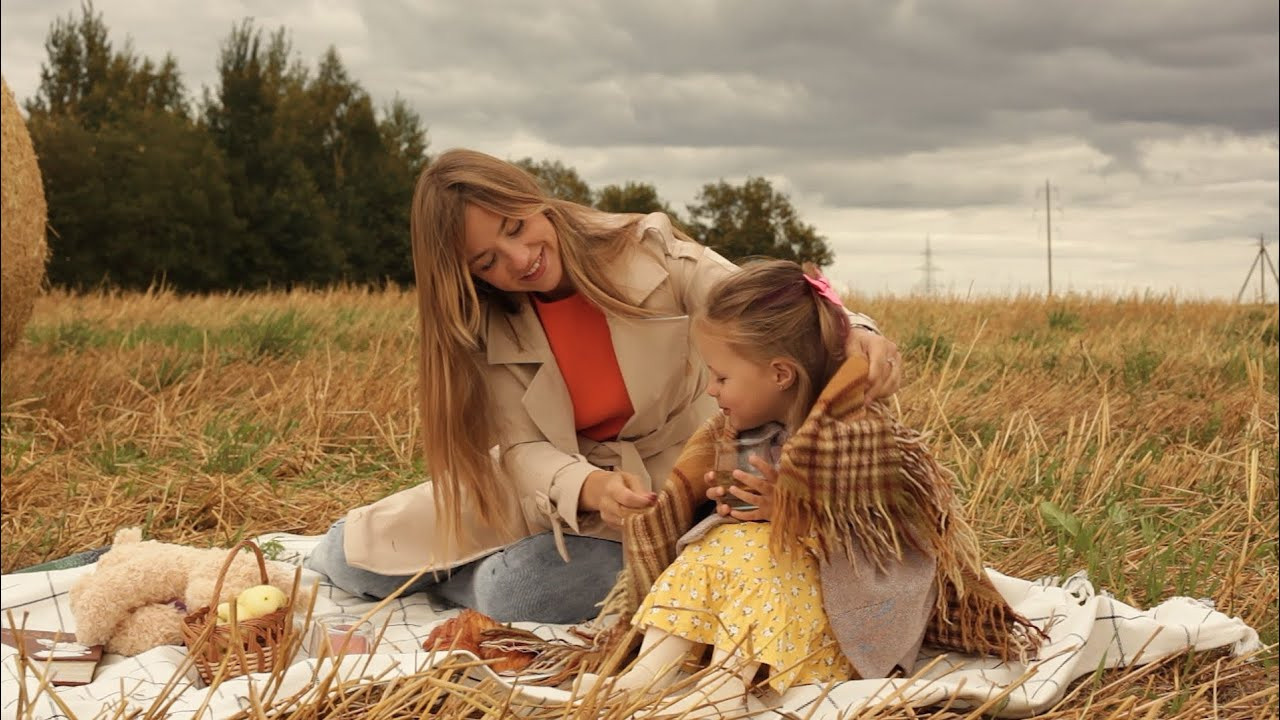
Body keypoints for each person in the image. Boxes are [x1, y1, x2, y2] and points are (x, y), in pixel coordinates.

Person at [304, 149, 905, 624]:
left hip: (673, 491)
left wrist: (855, 331)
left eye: (517, 227)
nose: (518, 259)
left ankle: (472, 584)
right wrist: (587, 486)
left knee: (522, 591)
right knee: (346, 556)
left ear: (534, 200)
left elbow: (760, 306)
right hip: (556, 489)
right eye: (487, 261)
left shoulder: (646, 247)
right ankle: (474, 570)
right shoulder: (488, 320)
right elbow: (519, 450)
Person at [576, 260, 1041, 718]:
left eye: (721, 377)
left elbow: (889, 541)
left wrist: (794, 509)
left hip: (834, 613)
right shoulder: (738, 432)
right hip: (765, 582)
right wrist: (714, 505)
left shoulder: (854, 435)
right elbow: (706, 509)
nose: (711, 392)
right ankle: (649, 672)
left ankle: (723, 687)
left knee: (758, 555)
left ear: (780, 375)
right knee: (706, 550)